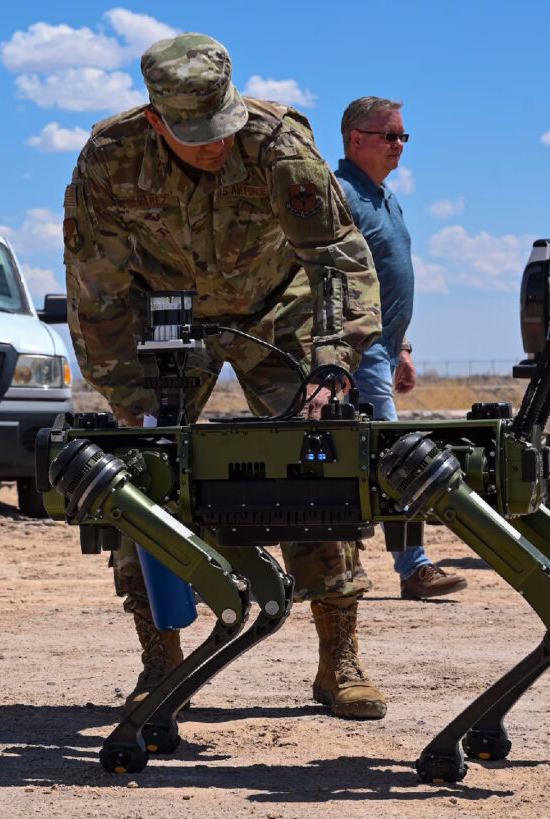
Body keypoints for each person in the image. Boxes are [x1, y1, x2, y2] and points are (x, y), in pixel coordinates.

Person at [63, 33, 389, 720]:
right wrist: (130, 402)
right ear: (156, 121)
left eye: (222, 126)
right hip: (167, 315)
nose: (216, 144)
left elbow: (338, 257)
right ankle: (161, 661)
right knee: (144, 475)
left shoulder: (277, 144)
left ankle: (339, 656)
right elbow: (96, 293)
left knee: (318, 457)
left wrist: (333, 362)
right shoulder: (110, 159)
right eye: (196, 134)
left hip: (281, 307)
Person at [335, 96, 468, 600]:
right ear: (355, 139)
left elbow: (387, 282)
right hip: (356, 349)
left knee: (373, 457)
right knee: (397, 455)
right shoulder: (340, 195)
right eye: (389, 135)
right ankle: (414, 568)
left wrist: (404, 347)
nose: (398, 145)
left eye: (401, 137)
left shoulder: (385, 198)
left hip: (384, 349)